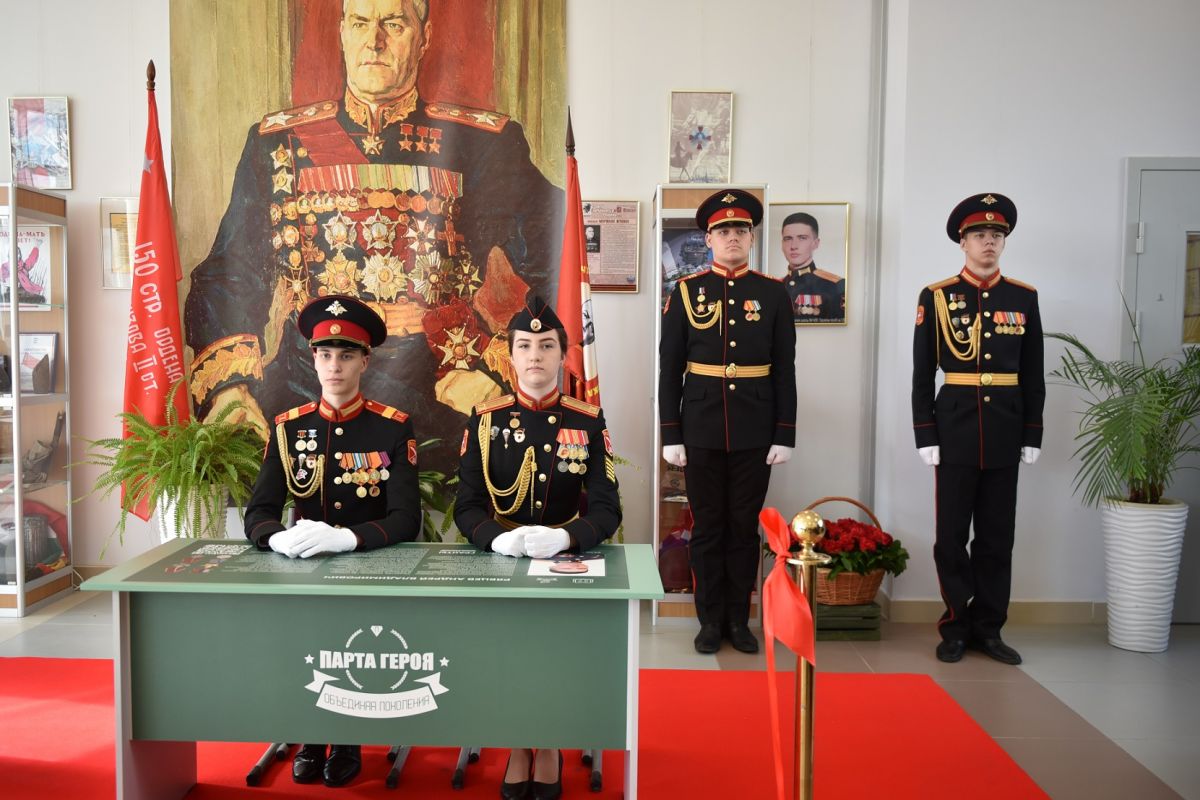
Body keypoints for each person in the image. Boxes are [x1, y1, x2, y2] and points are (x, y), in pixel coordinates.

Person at [184, 0, 563, 476]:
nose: (374, 41)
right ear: (343, 32)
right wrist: (230, 388)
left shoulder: (483, 144)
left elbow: (559, 257)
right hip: (307, 380)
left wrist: (498, 368)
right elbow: (230, 272)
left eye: (394, 24)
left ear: (423, 39)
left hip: (436, 382)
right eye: (361, 23)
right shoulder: (277, 142)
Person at [244, 293, 422, 787]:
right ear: (313, 359)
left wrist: (346, 539)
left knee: (348, 648)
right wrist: (275, 540)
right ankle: (311, 735)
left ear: (365, 361)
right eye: (325, 355)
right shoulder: (289, 428)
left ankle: (345, 737)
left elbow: (406, 519)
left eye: (346, 355)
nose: (334, 366)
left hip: (367, 569)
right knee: (305, 645)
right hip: (303, 571)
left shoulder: (391, 428)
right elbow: (259, 512)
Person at [454, 295, 621, 800]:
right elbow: (467, 507)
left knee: (554, 655)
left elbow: (608, 510)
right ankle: (517, 744)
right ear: (510, 356)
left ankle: (548, 743)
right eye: (524, 346)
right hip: (502, 556)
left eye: (546, 346)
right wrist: (497, 537)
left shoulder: (587, 420)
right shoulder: (484, 420)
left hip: (564, 559)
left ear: (563, 356)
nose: (535, 356)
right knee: (505, 655)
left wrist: (567, 537)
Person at [658, 189, 797, 655]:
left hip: (756, 429)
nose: (732, 237)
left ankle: (739, 619)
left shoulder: (773, 293)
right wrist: (671, 433)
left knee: (743, 528)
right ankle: (709, 621)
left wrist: (785, 433)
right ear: (708, 239)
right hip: (700, 427)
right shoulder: (686, 292)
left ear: (752, 237)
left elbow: (785, 370)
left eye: (740, 230)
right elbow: (670, 368)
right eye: (723, 230)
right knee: (708, 527)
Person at [911, 192, 1044, 666]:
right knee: (950, 537)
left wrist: (1032, 433)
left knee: (996, 537)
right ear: (962, 242)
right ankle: (955, 625)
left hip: (1006, 429)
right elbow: (922, 373)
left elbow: (1033, 373)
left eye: (996, 235)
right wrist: (925, 433)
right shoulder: (937, 296)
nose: (989, 242)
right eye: (980, 235)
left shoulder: (1023, 297)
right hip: (955, 430)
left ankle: (989, 628)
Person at [780, 212, 844, 323]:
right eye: (788, 238)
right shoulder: (774, 286)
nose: (793, 246)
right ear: (782, 244)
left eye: (802, 238)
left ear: (815, 243)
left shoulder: (836, 285)